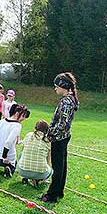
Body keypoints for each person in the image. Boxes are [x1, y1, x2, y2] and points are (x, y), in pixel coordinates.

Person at [39, 72, 79, 203]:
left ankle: (52, 195)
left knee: (58, 167)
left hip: (60, 138)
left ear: (63, 86)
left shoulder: (66, 102)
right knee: (61, 165)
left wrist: (51, 134)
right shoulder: (68, 99)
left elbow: (63, 124)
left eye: (56, 86)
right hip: (63, 137)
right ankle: (59, 191)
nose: (55, 88)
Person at [0, 104, 30, 178]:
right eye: (23, 116)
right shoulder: (17, 125)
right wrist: (4, 157)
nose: (23, 119)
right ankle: (9, 168)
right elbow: (8, 142)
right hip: (7, 159)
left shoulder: (1, 121)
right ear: (17, 113)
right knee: (14, 163)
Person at [17, 120, 52, 187]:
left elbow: (23, 150)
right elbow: (48, 160)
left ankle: (27, 177)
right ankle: (38, 179)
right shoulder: (48, 140)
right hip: (40, 172)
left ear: (35, 128)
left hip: (22, 171)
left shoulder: (28, 135)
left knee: (22, 155)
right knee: (51, 171)